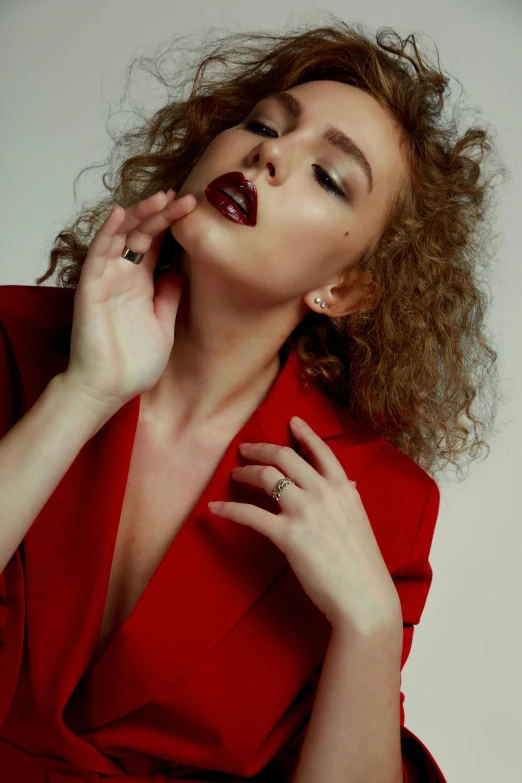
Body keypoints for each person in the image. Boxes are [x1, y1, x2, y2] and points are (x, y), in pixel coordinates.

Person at [0, 17, 507, 783]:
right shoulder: (14, 337)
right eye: (264, 124)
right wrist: (83, 392)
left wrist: (367, 626)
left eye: (328, 176)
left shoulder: (385, 507)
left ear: (343, 288)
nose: (268, 153)